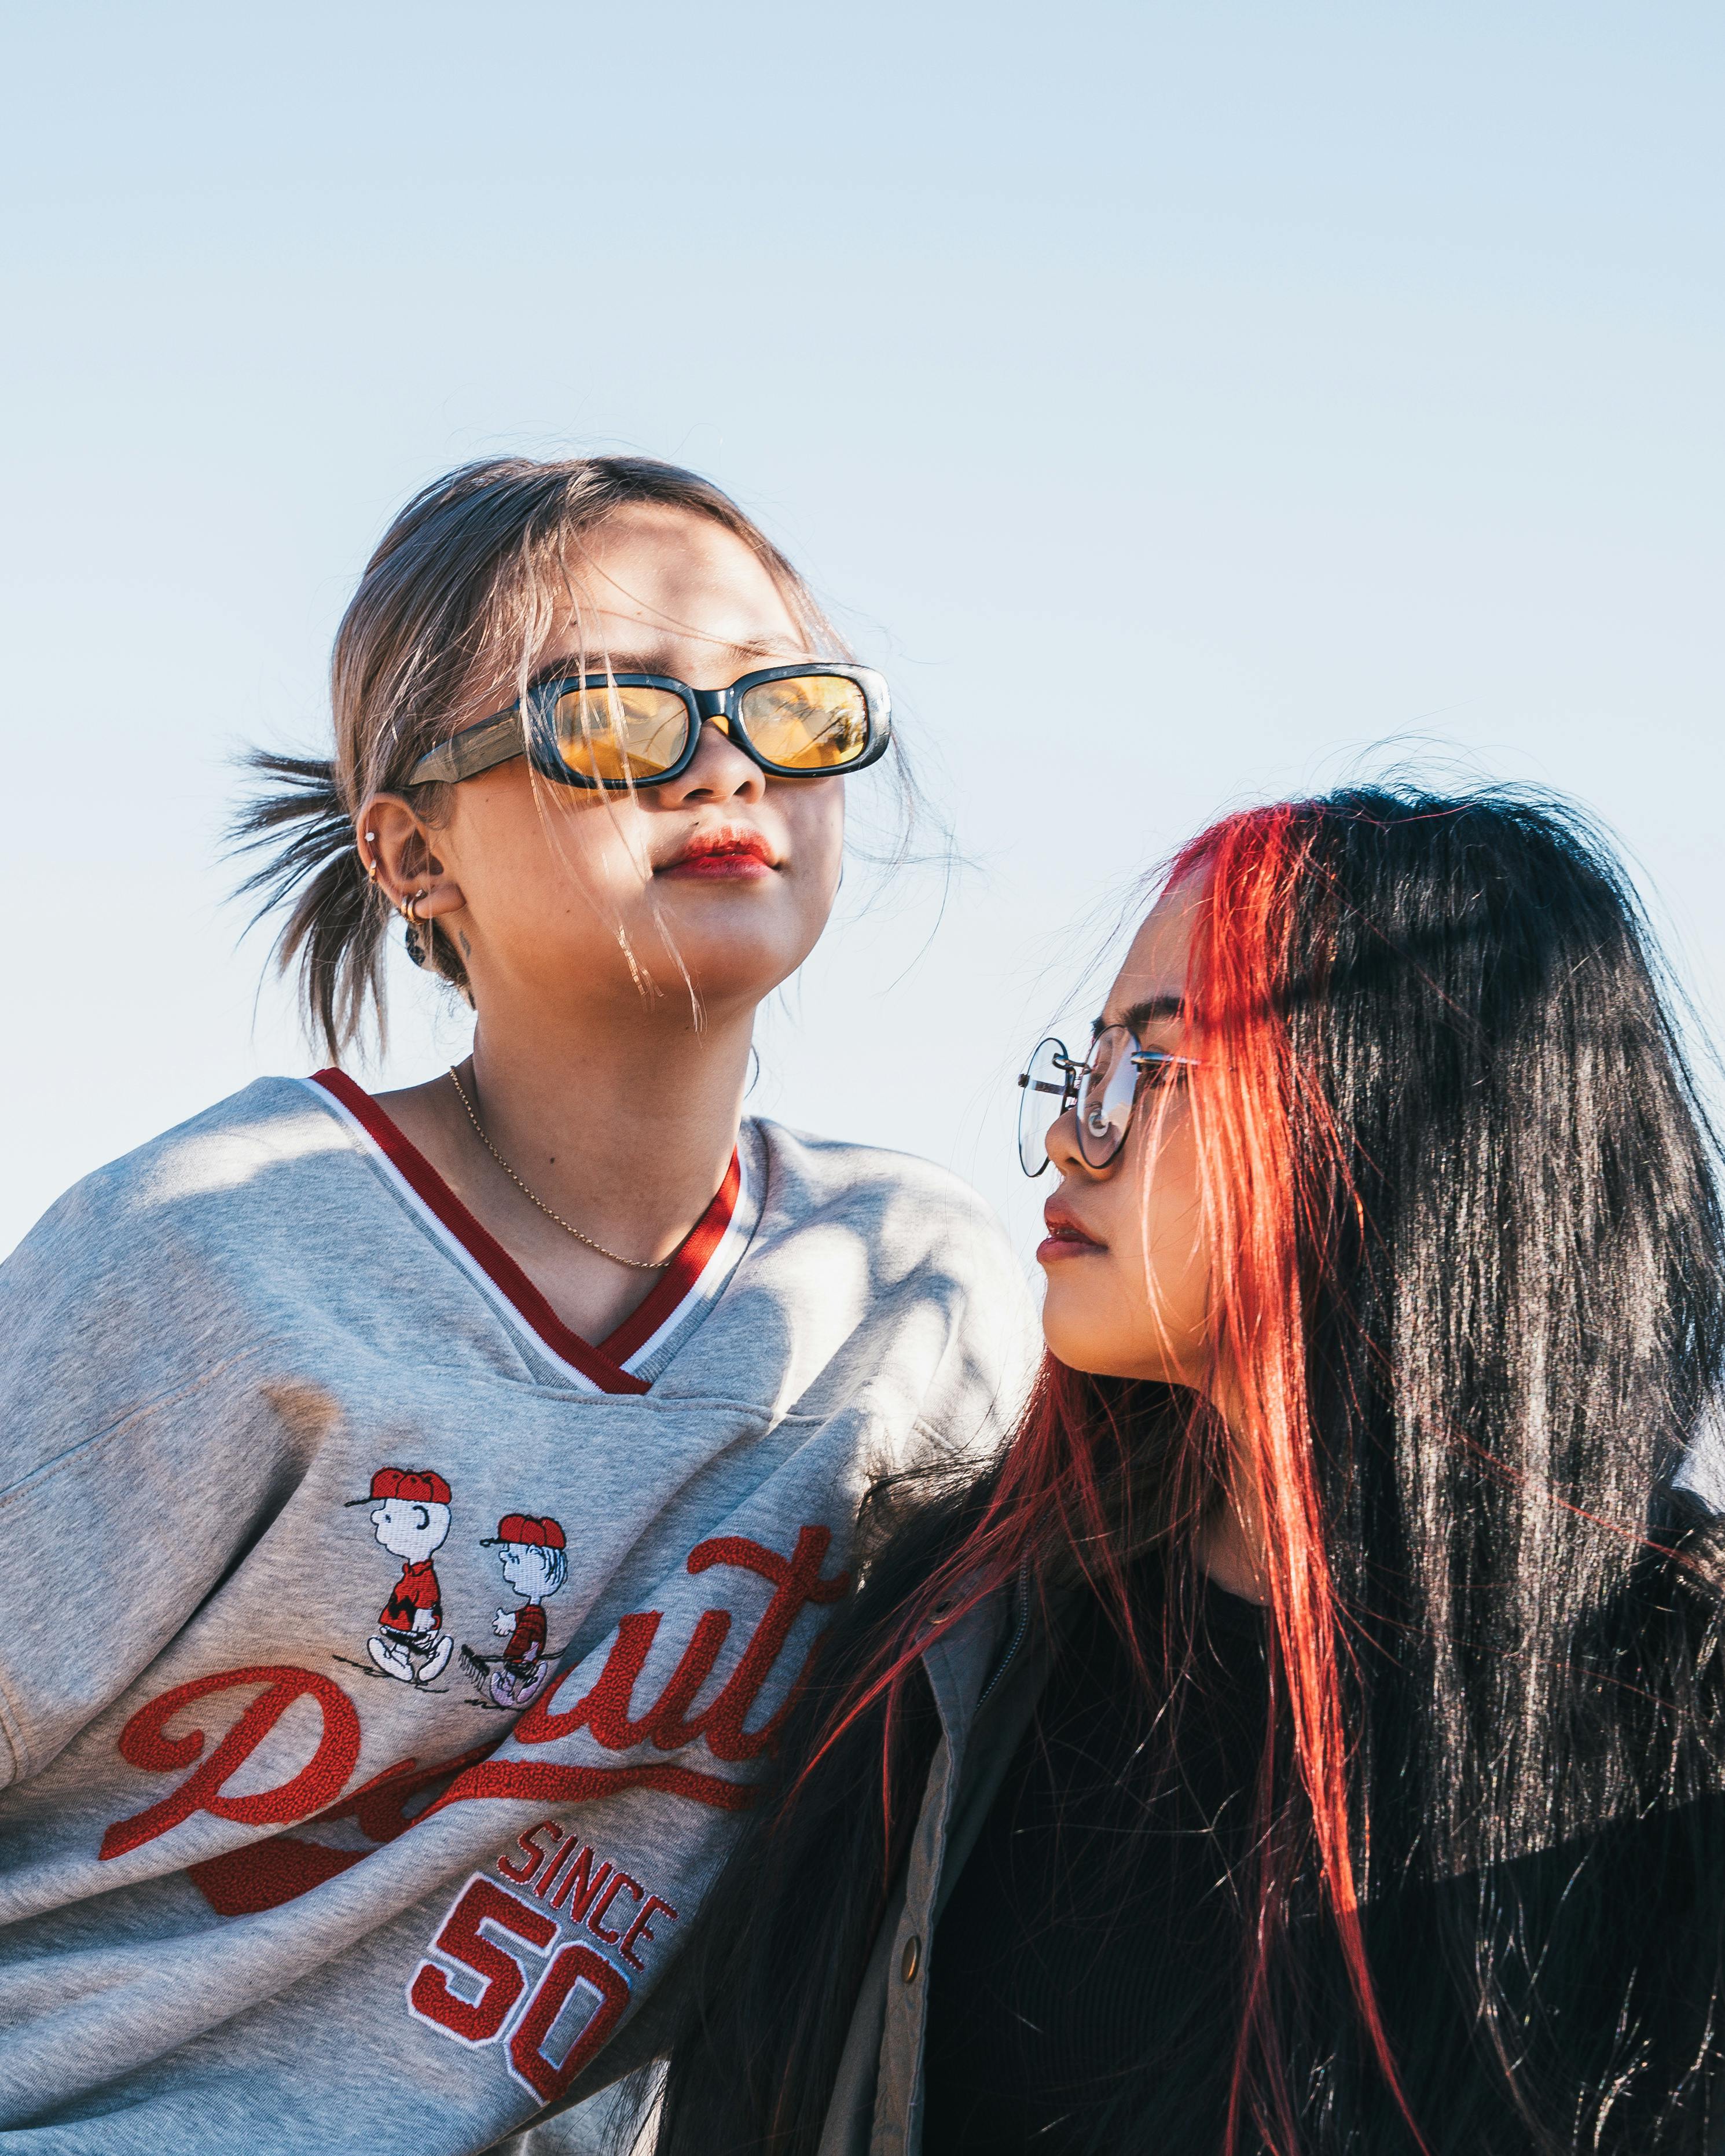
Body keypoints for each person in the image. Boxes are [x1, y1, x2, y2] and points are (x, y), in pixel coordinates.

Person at [0, 457, 1034, 2155]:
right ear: (410, 849)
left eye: (791, 705)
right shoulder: (210, 1255)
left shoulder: (919, 1298)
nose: (726, 761)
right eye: (615, 717)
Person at [656, 786, 1725, 2156]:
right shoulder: (954, 1643)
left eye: (1146, 1073)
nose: (1066, 1137)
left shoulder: (1675, 1728)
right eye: (1082, 1067)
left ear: (1411, 1131)